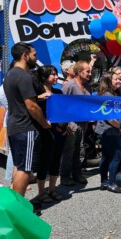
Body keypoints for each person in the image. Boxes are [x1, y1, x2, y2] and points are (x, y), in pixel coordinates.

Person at [3, 42, 51, 196]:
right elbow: (31, 106)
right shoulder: (24, 76)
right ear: (25, 56)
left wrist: (38, 98)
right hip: (26, 128)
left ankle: (16, 204)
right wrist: (44, 123)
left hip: (14, 126)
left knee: (19, 165)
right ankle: (20, 208)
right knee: (24, 169)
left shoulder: (10, 75)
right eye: (34, 55)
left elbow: (21, 100)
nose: (36, 58)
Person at [35, 65, 67, 202]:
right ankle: (41, 192)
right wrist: (40, 97)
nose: (56, 77)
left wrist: (63, 127)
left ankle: (52, 189)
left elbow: (65, 111)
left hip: (59, 132)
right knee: (44, 161)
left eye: (56, 74)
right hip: (45, 132)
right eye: (52, 74)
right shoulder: (37, 93)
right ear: (43, 77)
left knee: (56, 160)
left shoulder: (58, 92)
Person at [95, 72, 121, 193]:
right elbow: (108, 117)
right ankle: (112, 183)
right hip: (109, 131)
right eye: (116, 79)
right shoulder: (108, 95)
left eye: (120, 78)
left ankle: (104, 182)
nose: (119, 81)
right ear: (109, 81)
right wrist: (119, 126)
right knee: (117, 155)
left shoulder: (107, 93)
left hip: (105, 130)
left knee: (106, 156)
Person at [61, 60, 92, 186]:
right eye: (88, 71)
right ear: (80, 72)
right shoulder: (70, 85)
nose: (90, 74)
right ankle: (65, 176)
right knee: (69, 151)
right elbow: (62, 105)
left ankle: (77, 174)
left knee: (79, 150)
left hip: (83, 123)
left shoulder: (88, 86)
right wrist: (65, 124)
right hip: (71, 123)